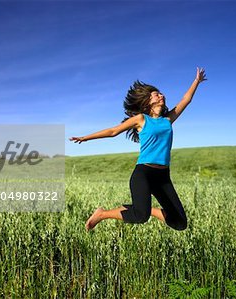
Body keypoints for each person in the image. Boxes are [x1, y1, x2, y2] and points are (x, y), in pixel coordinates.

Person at [69, 67, 207, 231]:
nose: (161, 95)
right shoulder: (141, 119)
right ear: (148, 101)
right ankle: (102, 214)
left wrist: (196, 81)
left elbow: (186, 99)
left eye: (161, 93)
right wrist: (85, 138)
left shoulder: (168, 119)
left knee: (180, 223)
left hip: (163, 177)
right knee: (141, 216)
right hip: (144, 173)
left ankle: (149, 209)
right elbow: (113, 131)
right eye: (156, 94)